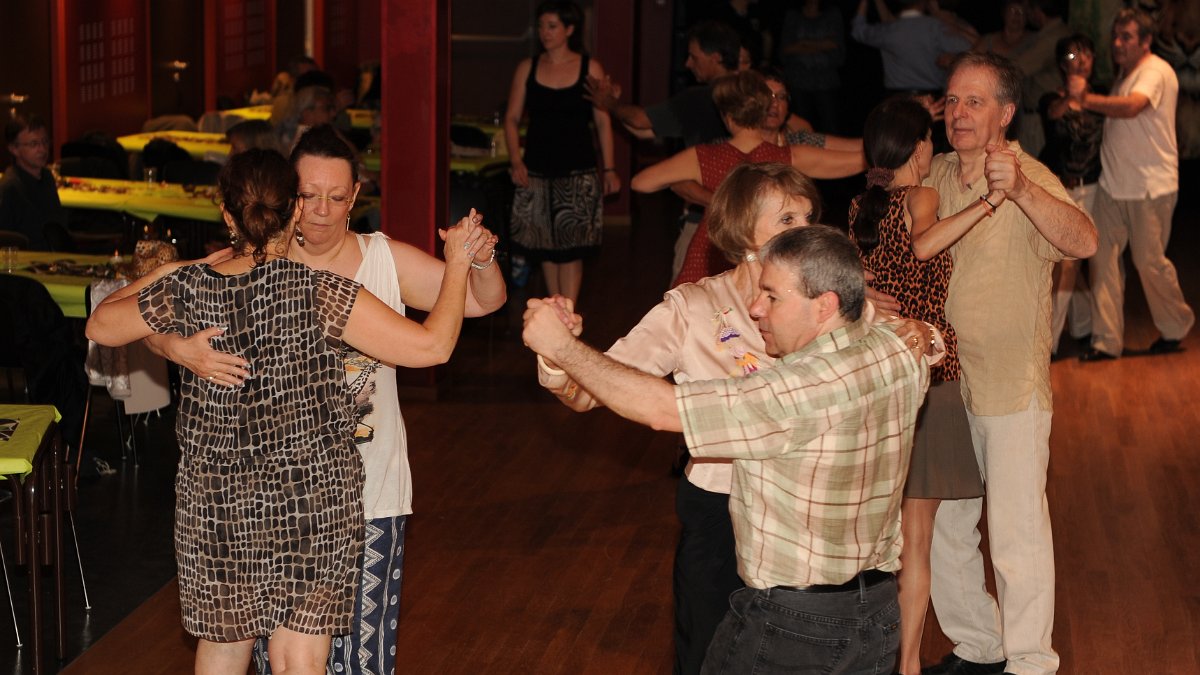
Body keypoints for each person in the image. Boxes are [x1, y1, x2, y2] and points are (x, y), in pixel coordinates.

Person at [86, 148, 490, 675]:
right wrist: (457, 262)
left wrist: (174, 337)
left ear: (227, 215)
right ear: (295, 210)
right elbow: (432, 346)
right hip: (312, 498)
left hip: (218, 499)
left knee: (224, 647)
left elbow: (100, 324)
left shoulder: (190, 284)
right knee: (299, 658)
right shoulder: (320, 291)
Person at [524, 225, 931, 675]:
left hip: (794, 628)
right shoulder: (897, 351)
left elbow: (662, 410)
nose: (755, 308)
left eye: (772, 297)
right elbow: (928, 341)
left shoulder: (793, 392)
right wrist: (926, 334)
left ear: (824, 305)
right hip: (877, 614)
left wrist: (562, 348)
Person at [539, 163, 820, 674]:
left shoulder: (822, 301)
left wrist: (918, 335)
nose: (805, 230)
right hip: (721, 509)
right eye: (786, 219)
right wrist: (559, 354)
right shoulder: (692, 308)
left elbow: (897, 346)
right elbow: (587, 393)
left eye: (807, 217)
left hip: (802, 507)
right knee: (708, 654)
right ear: (744, 231)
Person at [900, 52, 1096, 675]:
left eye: (975, 102)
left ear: (1006, 113)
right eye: (953, 100)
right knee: (948, 527)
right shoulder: (936, 174)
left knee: (1017, 532)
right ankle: (979, 644)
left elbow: (1085, 240)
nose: (958, 113)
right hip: (944, 385)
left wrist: (1023, 191)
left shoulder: (1029, 175)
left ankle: (1031, 662)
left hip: (1010, 384)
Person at [847, 97, 985, 675]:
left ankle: (882, 658)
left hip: (877, 377)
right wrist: (988, 202)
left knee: (884, 539)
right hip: (928, 376)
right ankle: (906, 665)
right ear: (920, 148)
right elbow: (925, 244)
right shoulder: (921, 196)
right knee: (919, 540)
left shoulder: (860, 208)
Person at [630, 70, 864, 287]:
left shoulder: (704, 156)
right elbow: (855, 162)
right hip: (768, 254)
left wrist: (716, 200)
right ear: (763, 110)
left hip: (713, 250)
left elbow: (640, 182)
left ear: (727, 116)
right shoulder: (788, 155)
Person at [1074, 8, 1193, 361]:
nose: (1117, 43)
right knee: (1102, 262)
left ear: (1146, 41)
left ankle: (1176, 325)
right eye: (1115, 36)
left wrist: (1085, 99)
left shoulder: (1155, 70)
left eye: (1126, 37)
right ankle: (1105, 341)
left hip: (1148, 187)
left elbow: (1132, 108)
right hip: (1113, 185)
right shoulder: (1126, 74)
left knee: (1148, 262)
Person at [505, 0, 619, 305]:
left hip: (577, 172)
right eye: (542, 26)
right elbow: (512, 118)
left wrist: (609, 169)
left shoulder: (589, 67)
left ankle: (568, 312)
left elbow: (603, 122)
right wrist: (516, 160)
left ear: (569, 29)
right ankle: (557, 309)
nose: (545, 32)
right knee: (546, 248)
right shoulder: (527, 68)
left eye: (552, 26)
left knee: (571, 250)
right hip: (537, 170)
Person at [1039, 34, 1103, 356]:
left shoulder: (1102, 97)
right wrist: (1072, 97)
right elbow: (1053, 114)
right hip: (1059, 188)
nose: (1081, 60)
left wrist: (1087, 97)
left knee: (1072, 263)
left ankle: (1061, 336)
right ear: (1062, 63)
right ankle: (1068, 332)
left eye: (1086, 53)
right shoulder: (1051, 98)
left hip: (1092, 188)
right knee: (1064, 262)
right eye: (1073, 55)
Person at [584, 20, 741, 147]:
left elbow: (639, 121)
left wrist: (609, 102)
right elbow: (642, 131)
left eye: (694, 58)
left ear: (715, 58)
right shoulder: (752, 89)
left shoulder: (699, 97)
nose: (688, 64)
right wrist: (612, 104)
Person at [851, 0, 972, 97]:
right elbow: (971, 49)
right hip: (931, 99)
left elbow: (858, 30)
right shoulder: (936, 27)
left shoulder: (889, 30)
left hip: (897, 100)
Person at [1011, 0, 1071, 155]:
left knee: (1035, 165)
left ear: (1037, 10)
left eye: (1026, 9)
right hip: (1034, 115)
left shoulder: (1053, 37)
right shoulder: (1045, 34)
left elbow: (1017, 67)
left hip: (1041, 118)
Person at [778, 0, 845, 135]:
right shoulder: (793, 16)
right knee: (801, 126)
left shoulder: (832, 14)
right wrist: (820, 46)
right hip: (798, 80)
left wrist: (804, 43)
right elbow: (786, 48)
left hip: (825, 80)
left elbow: (835, 45)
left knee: (830, 124)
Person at [0, 115, 66, 249]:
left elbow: (57, 227)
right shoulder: (10, 187)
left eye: (45, 142)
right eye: (34, 144)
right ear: (14, 149)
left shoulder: (46, 176)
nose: (43, 149)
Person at [760, 70, 862, 152]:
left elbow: (853, 147)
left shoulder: (797, 142)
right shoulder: (749, 148)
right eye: (768, 95)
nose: (775, 103)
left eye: (782, 97)